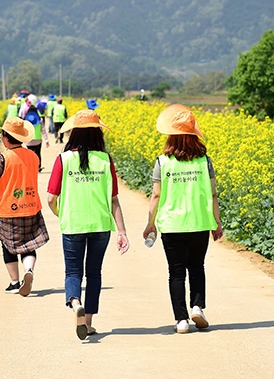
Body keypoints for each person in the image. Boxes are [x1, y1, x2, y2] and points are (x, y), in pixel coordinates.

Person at [47, 109, 129, 340]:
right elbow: (114, 199)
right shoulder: (106, 160)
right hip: (100, 225)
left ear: (73, 134)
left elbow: (51, 198)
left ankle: (75, 304)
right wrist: (122, 231)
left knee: (73, 270)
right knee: (94, 273)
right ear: (97, 135)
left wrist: (62, 214)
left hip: (73, 224)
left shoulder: (63, 159)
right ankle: (89, 321)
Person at [142, 104, 223, 334]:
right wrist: (216, 223)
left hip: (172, 225)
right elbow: (213, 194)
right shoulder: (204, 161)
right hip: (199, 222)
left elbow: (156, 195)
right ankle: (197, 306)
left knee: (176, 273)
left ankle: (181, 321)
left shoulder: (163, 161)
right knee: (197, 267)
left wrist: (150, 223)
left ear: (171, 135)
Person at [0, 117, 49, 297]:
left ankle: (15, 283)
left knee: (8, 245)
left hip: (7, 210)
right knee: (28, 243)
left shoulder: (2, 159)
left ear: (5, 137)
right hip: (30, 206)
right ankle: (29, 271)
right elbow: (18, 165)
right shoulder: (33, 155)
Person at [24, 105, 50, 172]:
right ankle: (38, 167)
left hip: (29, 140)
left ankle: (30, 167)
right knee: (38, 154)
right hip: (38, 140)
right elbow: (43, 130)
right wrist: (46, 140)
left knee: (30, 155)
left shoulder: (26, 120)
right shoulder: (40, 119)